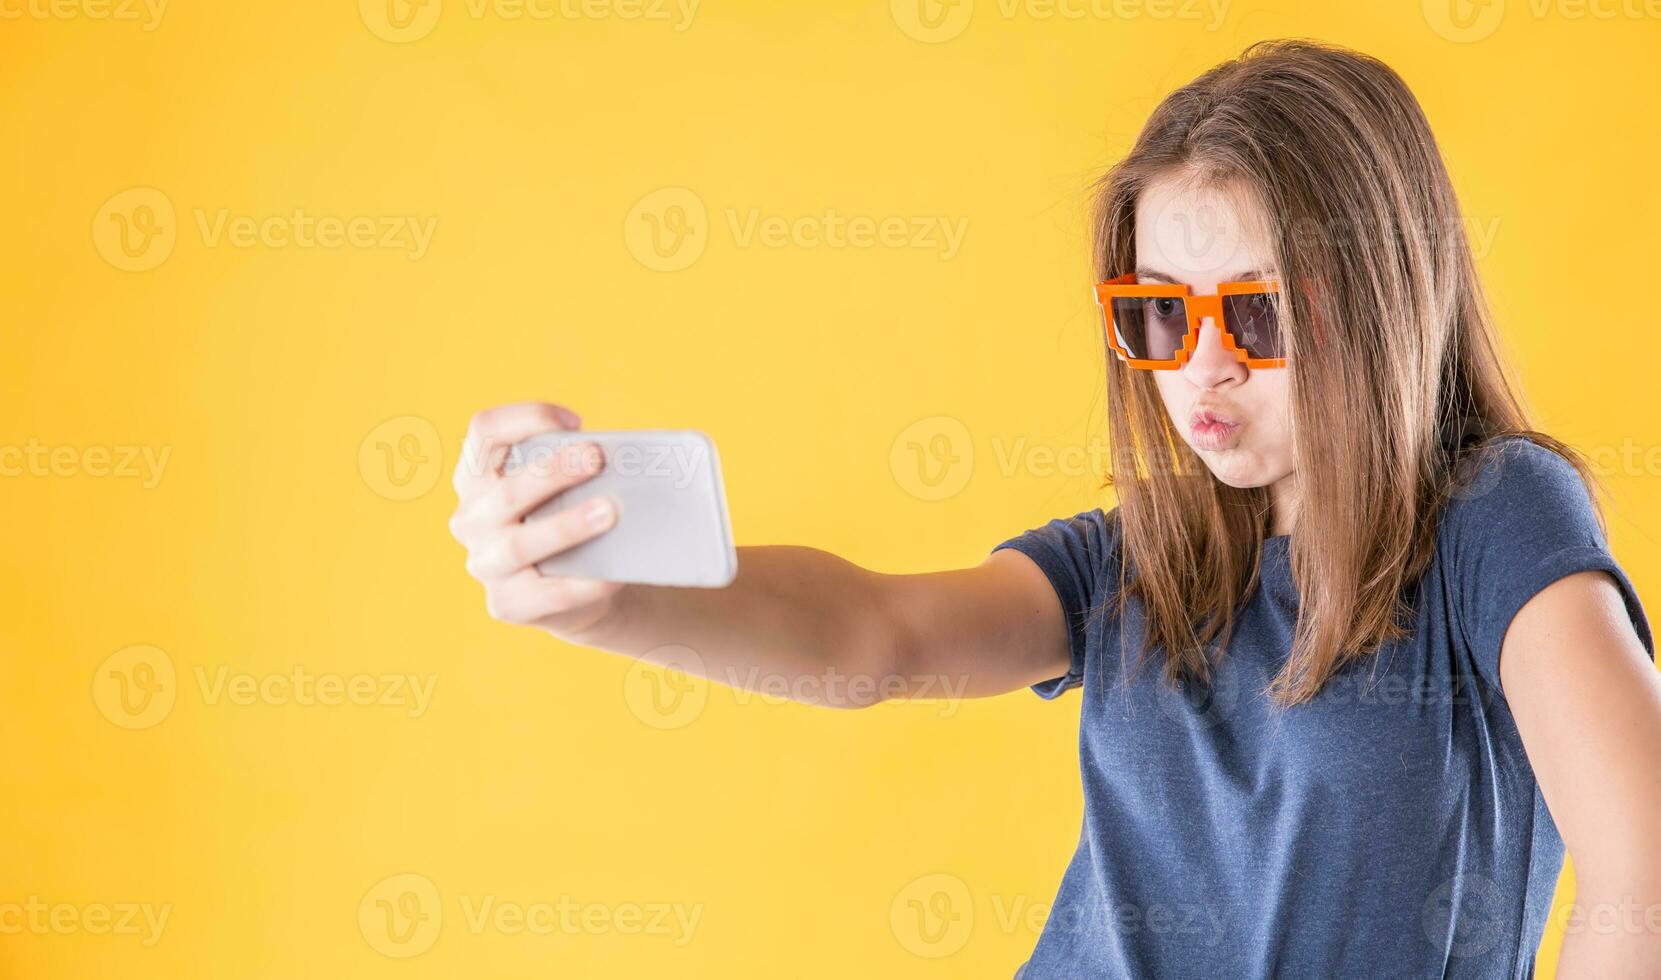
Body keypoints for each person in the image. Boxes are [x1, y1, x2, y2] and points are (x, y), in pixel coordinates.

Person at [447, 40, 1660, 978]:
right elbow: (877, 636)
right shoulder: (1147, 556)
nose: (1201, 369)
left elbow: (1639, 860)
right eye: (1156, 311)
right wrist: (607, 595)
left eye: (1255, 312)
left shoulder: (1491, 517)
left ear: (1386, 294)